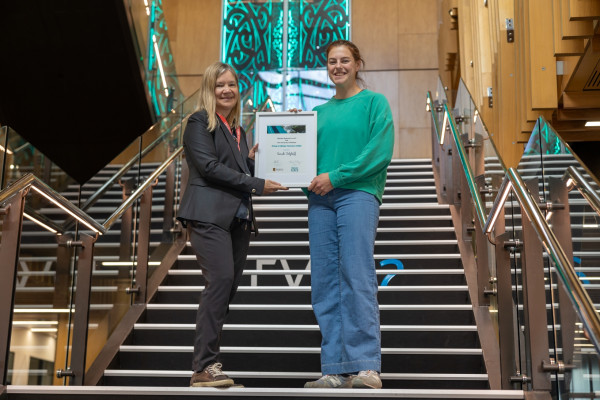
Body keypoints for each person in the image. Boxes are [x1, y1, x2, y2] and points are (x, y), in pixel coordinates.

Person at [177, 61, 287, 388]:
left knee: (226, 290)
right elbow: (210, 168)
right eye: (219, 85)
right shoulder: (198, 122)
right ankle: (203, 366)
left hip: (237, 220)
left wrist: (286, 129)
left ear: (239, 90)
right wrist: (256, 183)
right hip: (208, 215)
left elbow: (236, 167)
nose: (226, 90)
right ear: (210, 90)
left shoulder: (236, 130)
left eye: (232, 85)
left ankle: (210, 362)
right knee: (220, 280)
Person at [303, 40, 395, 389]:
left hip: (357, 193)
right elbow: (302, 164)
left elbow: (379, 153)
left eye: (344, 60)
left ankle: (366, 366)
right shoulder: (318, 113)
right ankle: (334, 368)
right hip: (320, 200)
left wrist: (336, 177)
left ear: (358, 64)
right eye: (331, 61)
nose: (337, 66)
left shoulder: (374, 103)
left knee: (356, 274)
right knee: (324, 282)